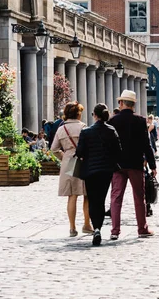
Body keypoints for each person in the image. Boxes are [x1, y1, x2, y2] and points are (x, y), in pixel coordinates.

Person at [108, 90, 157, 240]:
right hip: (135, 164)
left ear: (121, 103)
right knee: (139, 197)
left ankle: (115, 231)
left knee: (116, 197)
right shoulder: (141, 121)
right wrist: (153, 166)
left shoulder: (113, 121)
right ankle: (142, 228)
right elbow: (146, 145)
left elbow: (109, 144)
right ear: (133, 104)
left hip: (118, 165)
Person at [75, 104, 122, 246]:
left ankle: (95, 228)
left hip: (90, 171)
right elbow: (118, 151)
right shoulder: (111, 130)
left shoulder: (86, 132)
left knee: (92, 199)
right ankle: (98, 228)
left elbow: (79, 152)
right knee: (101, 199)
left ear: (95, 115)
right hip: (106, 171)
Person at [50, 101, 92, 237]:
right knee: (87, 195)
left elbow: (54, 149)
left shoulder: (61, 129)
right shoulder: (84, 127)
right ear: (79, 114)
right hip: (83, 160)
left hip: (68, 161)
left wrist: (63, 157)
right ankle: (87, 224)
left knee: (72, 196)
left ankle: (72, 228)